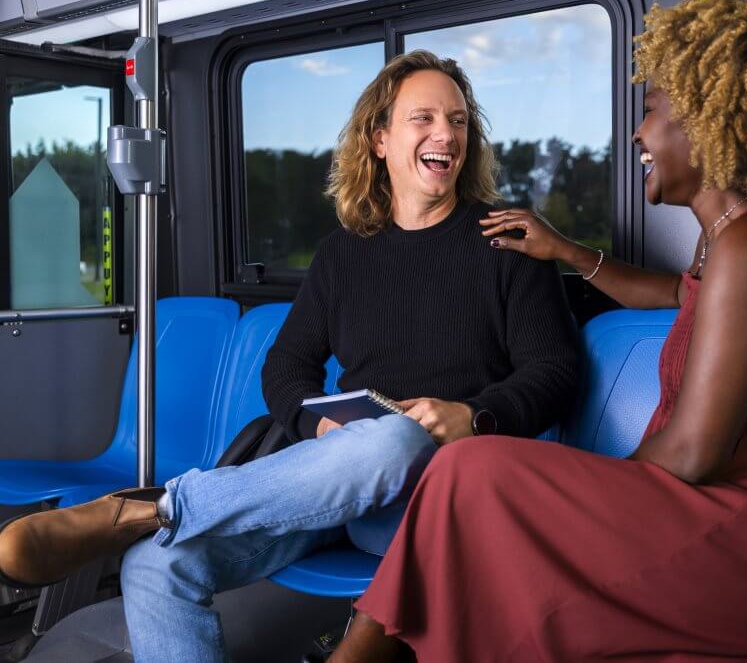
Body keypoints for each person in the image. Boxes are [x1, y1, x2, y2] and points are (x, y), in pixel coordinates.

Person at [331, 0, 747, 662]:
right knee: (472, 483)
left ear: (704, 121)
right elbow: (678, 291)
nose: (639, 134)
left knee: (474, 471)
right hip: (711, 519)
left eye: (650, 113)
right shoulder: (730, 242)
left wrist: (578, 492)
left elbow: (695, 452)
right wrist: (566, 251)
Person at [0, 50, 578, 662]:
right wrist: (317, 424)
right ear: (380, 140)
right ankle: (155, 521)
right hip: (331, 483)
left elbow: (555, 373)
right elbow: (285, 369)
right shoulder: (343, 254)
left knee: (395, 441)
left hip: (438, 495)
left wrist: (474, 415)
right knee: (152, 566)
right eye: (425, 118)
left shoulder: (505, 241)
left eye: (459, 121)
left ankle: (159, 505)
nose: (447, 134)